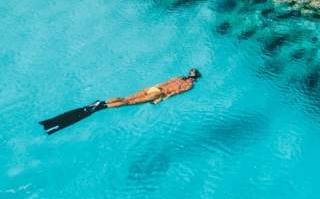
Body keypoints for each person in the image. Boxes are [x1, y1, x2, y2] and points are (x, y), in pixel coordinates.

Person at [39, 69, 201, 135]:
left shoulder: (178, 77)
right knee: (129, 103)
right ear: (196, 78)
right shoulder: (189, 84)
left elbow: (163, 83)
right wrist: (160, 99)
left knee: (126, 98)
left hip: (151, 88)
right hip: (159, 93)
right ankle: (103, 106)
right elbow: (173, 92)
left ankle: (102, 102)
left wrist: (156, 91)